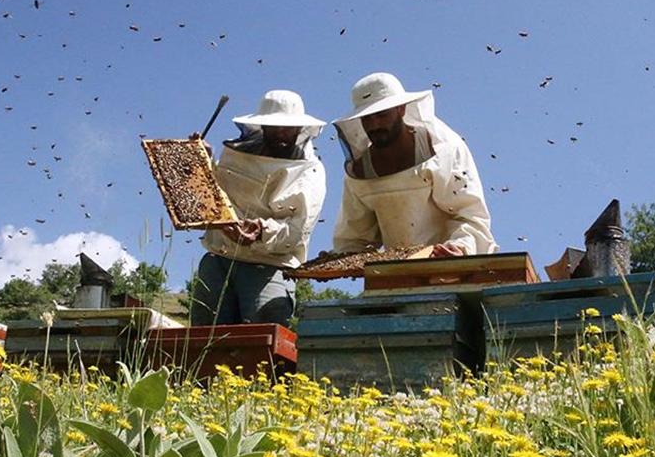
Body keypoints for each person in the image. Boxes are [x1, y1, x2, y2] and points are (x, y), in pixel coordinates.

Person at [189, 90, 327, 326]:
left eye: (289, 127)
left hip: (269, 267)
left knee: (261, 344)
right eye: (275, 127)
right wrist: (201, 162)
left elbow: (298, 230)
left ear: (300, 129)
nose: (282, 133)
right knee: (204, 344)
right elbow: (213, 195)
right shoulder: (237, 156)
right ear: (262, 126)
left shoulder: (310, 171)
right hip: (218, 260)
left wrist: (261, 231)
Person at [330, 72, 497, 257]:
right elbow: (355, 235)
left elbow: (470, 214)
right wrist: (343, 254)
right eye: (367, 118)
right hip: (395, 274)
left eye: (382, 115)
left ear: (401, 109)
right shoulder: (360, 171)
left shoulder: (443, 150)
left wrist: (460, 247)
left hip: (454, 269)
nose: (374, 125)